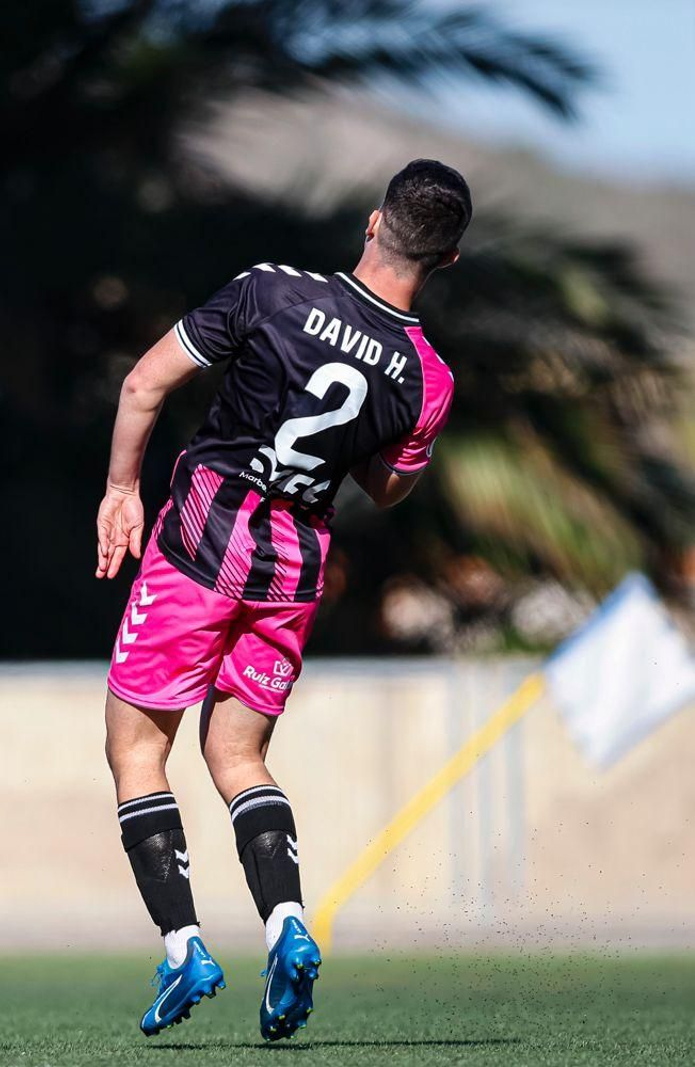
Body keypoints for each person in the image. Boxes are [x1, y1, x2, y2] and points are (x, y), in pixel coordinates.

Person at [94, 160, 470, 1040]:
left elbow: (143, 383)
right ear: (446, 260)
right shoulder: (429, 378)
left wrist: (121, 488)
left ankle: (184, 943)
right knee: (238, 755)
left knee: (135, 749)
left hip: (196, 545)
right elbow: (382, 487)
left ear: (374, 223)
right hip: (290, 570)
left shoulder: (270, 291)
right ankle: (288, 922)